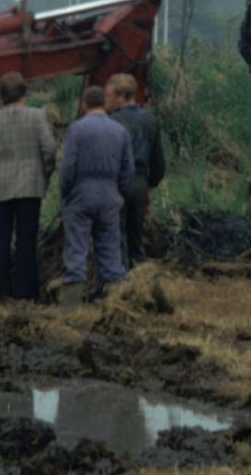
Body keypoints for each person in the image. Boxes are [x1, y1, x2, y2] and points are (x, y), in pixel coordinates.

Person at [0, 71, 58, 301]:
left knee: (1, 238)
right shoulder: (37, 116)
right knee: (26, 239)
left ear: (2, 95)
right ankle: (26, 292)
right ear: (24, 93)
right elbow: (49, 149)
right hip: (30, 185)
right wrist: (45, 172)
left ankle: (0, 290)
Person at [58, 84, 134, 304]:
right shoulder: (119, 130)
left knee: (76, 249)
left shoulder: (77, 129)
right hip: (110, 192)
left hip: (81, 192)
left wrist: (66, 193)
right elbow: (128, 169)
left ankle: (72, 303)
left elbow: (67, 168)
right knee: (111, 249)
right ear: (104, 103)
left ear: (84, 104)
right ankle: (116, 301)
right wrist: (119, 193)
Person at [107, 73, 168, 267]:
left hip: (118, 183)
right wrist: (150, 184)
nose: (107, 100)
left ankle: (121, 282)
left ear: (119, 96)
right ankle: (141, 275)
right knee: (136, 235)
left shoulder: (113, 121)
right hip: (140, 183)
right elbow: (158, 159)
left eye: (109, 95)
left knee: (119, 234)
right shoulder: (149, 119)